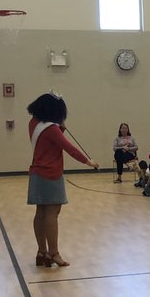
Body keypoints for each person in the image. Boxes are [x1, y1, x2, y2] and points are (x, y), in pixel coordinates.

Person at [27, 93, 97, 268]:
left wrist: (61, 128)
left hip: (36, 173)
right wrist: (88, 161)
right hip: (51, 174)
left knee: (40, 213)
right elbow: (68, 147)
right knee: (52, 214)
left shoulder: (33, 124)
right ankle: (54, 253)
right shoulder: (52, 129)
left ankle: (41, 252)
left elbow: (49, 142)